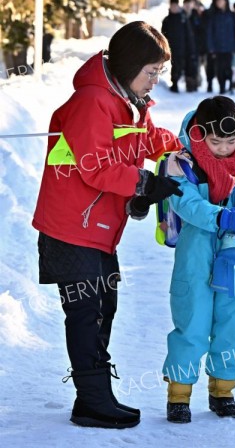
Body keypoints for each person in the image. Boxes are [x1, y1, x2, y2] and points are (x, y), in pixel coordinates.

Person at [32, 21, 183, 430]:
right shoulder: (93, 102)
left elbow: (148, 140)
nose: (155, 80)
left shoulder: (130, 102)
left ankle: (94, 395)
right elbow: (94, 166)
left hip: (97, 228)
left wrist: (185, 146)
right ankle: (92, 400)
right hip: (70, 226)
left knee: (105, 304)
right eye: (151, 71)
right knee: (87, 310)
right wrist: (144, 183)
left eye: (159, 72)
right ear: (130, 65)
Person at [161, 96, 235, 423]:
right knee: (192, 322)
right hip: (195, 255)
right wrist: (223, 217)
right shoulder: (181, 164)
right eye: (216, 141)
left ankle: (223, 390)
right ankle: (179, 394)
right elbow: (187, 204)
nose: (224, 148)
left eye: (231, 141)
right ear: (199, 135)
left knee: (234, 323)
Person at [206, 0, 235, 94]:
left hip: (230, 46)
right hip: (217, 47)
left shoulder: (232, 16)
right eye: (218, 1)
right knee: (219, 68)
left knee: (229, 67)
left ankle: (230, 85)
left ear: (226, 2)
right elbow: (210, 33)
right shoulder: (213, 16)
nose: (220, 3)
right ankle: (222, 87)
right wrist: (211, 47)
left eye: (221, 1)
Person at [161, 0, 196, 93]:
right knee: (176, 67)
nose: (174, 8)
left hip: (184, 48)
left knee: (188, 67)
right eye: (172, 6)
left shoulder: (183, 18)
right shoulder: (167, 20)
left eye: (176, 6)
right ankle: (175, 84)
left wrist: (191, 48)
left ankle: (190, 86)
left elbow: (189, 35)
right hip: (172, 49)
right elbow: (163, 36)